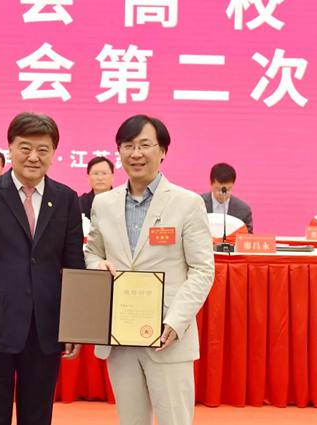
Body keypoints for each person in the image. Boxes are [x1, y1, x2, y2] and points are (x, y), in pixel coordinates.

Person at [0, 113, 85, 425]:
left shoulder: (65, 198)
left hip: (45, 330)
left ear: (53, 153)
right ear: (10, 149)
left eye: (43, 149)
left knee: (38, 417)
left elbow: (73, 265)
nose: (34, 157)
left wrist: (74, 326)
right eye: (25, 148)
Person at [84, 115, 214, 425]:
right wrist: (96, 265)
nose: (136, 154)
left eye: (145, 145)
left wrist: (176, 322)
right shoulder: (104, 203)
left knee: (174, 420)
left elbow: (202, 270)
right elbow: (93, 251)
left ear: (163, 151)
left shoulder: (187, 203)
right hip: (120, 334)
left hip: (167, 336)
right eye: (128, 146)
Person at [200, 162, 253, 233]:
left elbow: (248, 237)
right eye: (218, 189)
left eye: (228, 189)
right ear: (211, 183)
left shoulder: (243, 210)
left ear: (233, 184)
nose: (223, 194)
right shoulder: (198, 204)